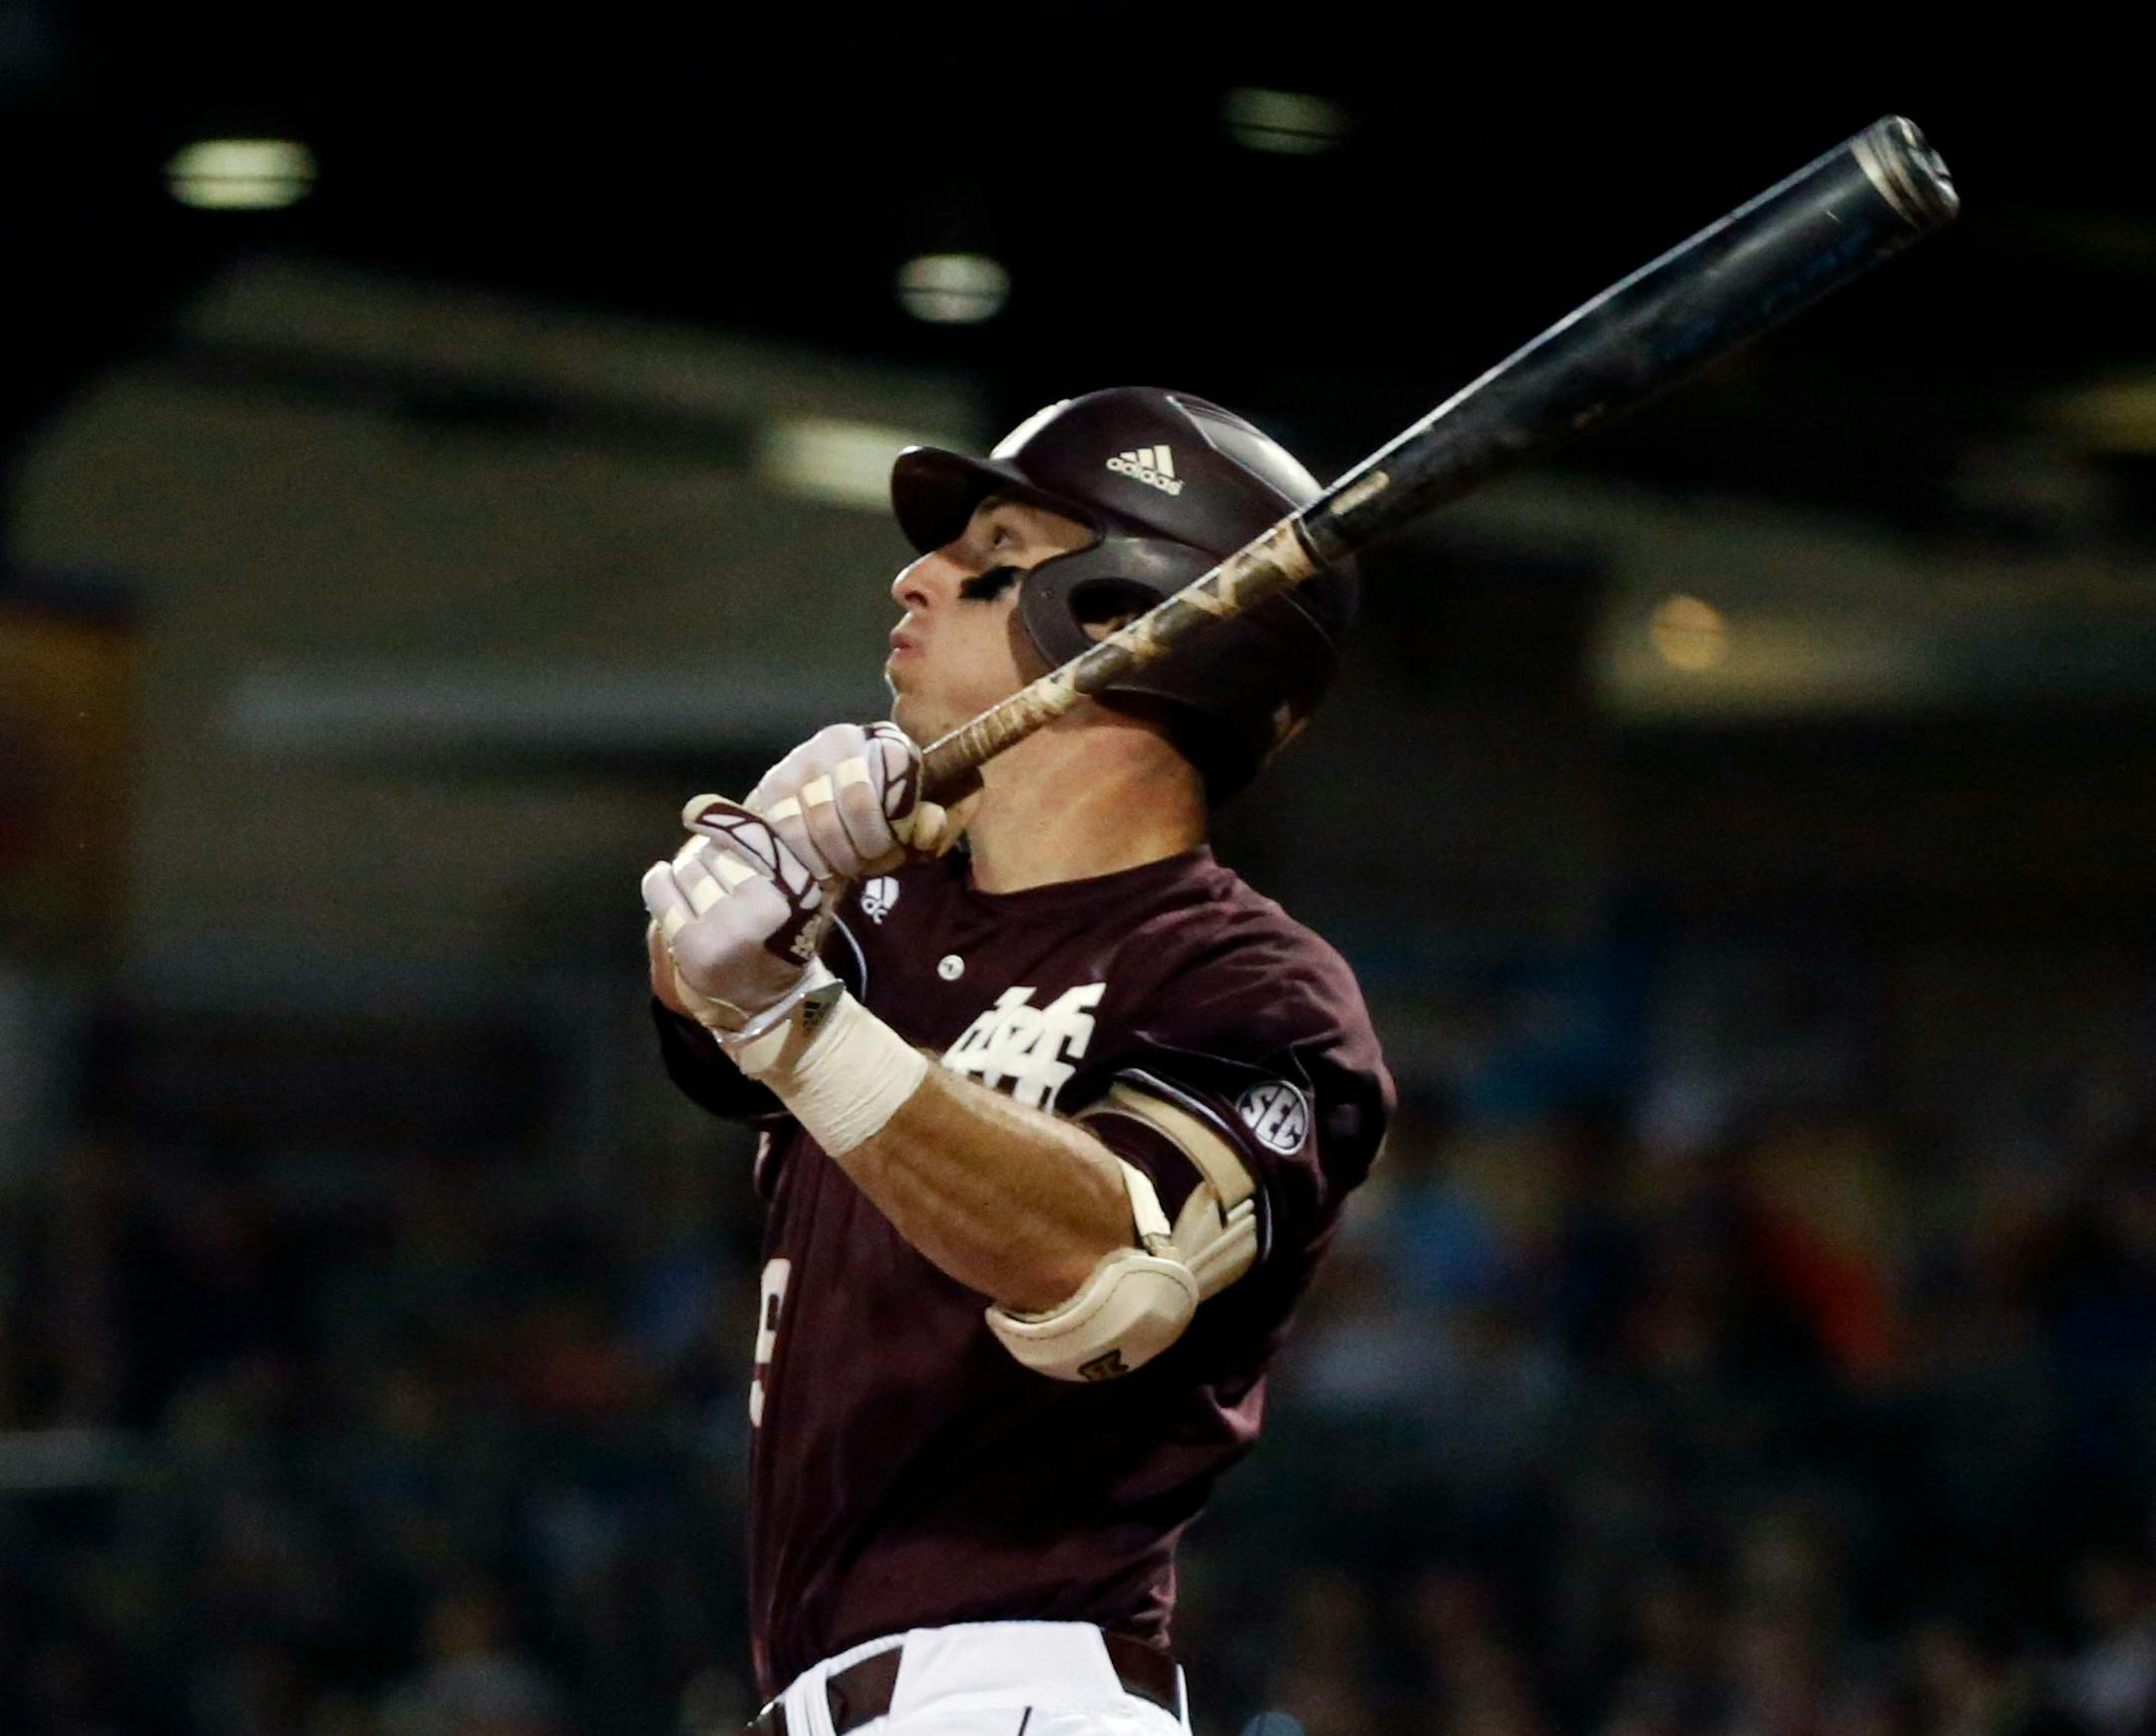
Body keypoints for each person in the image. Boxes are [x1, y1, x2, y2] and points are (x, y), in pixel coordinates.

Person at [641, 387, 1393, 1736]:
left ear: (1122, 616)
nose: (913, 576)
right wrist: (765, 868)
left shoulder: (1252, 985)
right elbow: (695, 1007)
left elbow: (1111, 1268)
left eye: (992, 562)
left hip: (1023, 1694)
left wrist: (792, 1018)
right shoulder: (891, 911)